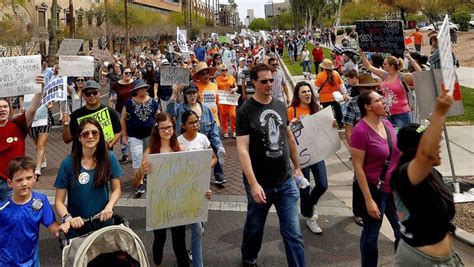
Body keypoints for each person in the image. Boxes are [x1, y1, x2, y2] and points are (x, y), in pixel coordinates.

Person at [236, 64, 305, 267]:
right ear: (254, 83)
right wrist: (253, 184)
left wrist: (298, 167)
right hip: (260, 183)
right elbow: (242, 148)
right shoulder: (245, 111)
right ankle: (249, 258)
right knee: (255, 228)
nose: (269, 84)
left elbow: (289, 137)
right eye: (264, 81)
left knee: (293, 233)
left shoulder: (280, 105)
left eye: (271, 80)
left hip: (285, 182)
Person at [391, 92, 462, 266]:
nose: (438, 147)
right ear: (414, 150)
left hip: (445, 258)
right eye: (433, 142)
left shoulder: (433, 175)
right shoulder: (402, 176)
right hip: (420, 261)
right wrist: (438, 112)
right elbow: (427, 154)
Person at [350, 90, 401, 267]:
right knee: (371, 236)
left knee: (402, 233)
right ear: (368, 106)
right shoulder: (360, 131)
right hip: (375, 191)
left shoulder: (387, 124)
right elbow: (358, 167)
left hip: (394, 191)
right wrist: (369, 200)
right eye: (379, 100)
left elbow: (397, 156)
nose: (384, 102)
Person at [132, 112, 190, 267]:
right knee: (159, 239)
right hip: (158, 203)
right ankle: (157, 263)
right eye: (163, 128)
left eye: (169, 127)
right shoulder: (151, 151)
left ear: (173, 127)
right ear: (157, 130)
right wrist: (140, 172)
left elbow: (190, 178)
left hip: (177, 201)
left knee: (180, 243)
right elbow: (136, 183)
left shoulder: (180, 149)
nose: (167, 131)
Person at [54, 119, 122, 238]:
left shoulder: (109, 157)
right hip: (77, 228)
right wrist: (68, 218)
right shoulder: (67, 163)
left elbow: (117, 189)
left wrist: (109, 207)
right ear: (79, 138)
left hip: (103, 224)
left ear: (99, 135)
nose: (90, 136)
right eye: (85, 133)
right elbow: (58, 201)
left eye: (94, 133)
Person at [0, 156, 68, 266]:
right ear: (9, 183)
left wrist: (60, 228)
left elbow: (52, 226)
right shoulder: (2, 209)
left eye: (28, 178)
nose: (24, 183)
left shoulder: (41, 201)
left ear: (35, 177)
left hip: (32, 263)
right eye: (19, 180)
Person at [287, 81, 328, 234]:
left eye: (309, 91)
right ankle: (310, 216)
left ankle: (307, 207)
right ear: (297, 94)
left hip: (317, 152)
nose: (307, 94)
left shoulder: (316, 109)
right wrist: (292, 124)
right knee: (304, 186)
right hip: (300, 155)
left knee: (322, 184)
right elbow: (287, 133)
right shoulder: (291, 110)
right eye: (304, 92)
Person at [177, 110, 216, 267]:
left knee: (201, 224)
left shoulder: (203, 138)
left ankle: (193, 249)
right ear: (184, 125)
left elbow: (214, 158)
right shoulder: (178, 141)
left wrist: (205, 166)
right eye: (191, 123)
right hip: (185, 189)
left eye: (197, 122)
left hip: (202, 187)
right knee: (197, 228)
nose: (195, 125)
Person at [0, 75, 45, 202]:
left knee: (13, 218)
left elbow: (32, 108)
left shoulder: (18, 124)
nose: (2, 110)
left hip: (14, 183)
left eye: (5, 107)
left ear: (10, 109)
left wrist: (40, 89)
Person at [175, 83, 226, 186]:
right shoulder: (180, 109)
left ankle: (218, 174)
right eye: (189, 94)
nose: (192, 96)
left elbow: (213, 130)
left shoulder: (206, 109)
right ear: (185, 96)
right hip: (189, 140)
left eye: (194, 93)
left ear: (198, 94)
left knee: (215, 148)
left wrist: (219, 145)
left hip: (205, 139)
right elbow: (178, 128)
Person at [121, 79, 160, 198]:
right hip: (134, 135)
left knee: (149, 157)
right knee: (137, 157)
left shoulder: (153, 102)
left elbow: (158, 116)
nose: (143, 90)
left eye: (144, 88)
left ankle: (147, 174)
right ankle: (140, 183)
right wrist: (124, 135)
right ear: (135, 90)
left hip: (150, 135)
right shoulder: (129, 103)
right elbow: (122, 119)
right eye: (140, 88)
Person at [359, 48, 414, 128]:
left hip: (402, 113)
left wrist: (409, 58)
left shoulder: (402, 76)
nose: (383, 65)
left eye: (385, 64)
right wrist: (361, 54)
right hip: (388, 113)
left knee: (403, 138)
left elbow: (420, 74)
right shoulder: (385, 75)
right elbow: (369, 66)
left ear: (391, 65)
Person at [62, 80, 121, 151]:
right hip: (81, 156)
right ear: (83, 96)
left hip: (103, 155)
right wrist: (66, 126)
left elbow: (118, 131)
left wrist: (110, 144)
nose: (92, 96)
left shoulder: (110, 112)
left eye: (94, 93)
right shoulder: (75, 115)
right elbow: (67, 140)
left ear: (99, 93)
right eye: (88, 94)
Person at [110, 67, 135, 163]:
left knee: (133, 132)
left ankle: (135, 152)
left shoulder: (135, 83)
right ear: (122, 74)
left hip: (132, 111)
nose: (128, 74)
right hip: (120, 111)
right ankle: (125, 154)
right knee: (122, 132)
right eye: (126, 73)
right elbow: (112, 97)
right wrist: (111, 107)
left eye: (130, 73)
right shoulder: (117, 85)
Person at [314, 59, 347, 128]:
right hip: (336, 97)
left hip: (325, 98)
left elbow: (316, 88)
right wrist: (345, 93)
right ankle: (340, 123)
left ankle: (330, 126)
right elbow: (342, 86)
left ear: (323, 67)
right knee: (338, 110)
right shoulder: (336, 74)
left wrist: (316, 99)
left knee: (328, 113)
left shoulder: (320, 75)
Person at [215, 64, 238, 138]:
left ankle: (234, 130)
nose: (225, 71)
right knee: (223, 116)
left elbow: (236, 86)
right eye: (223, 70)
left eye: (226, 70)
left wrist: (234, 89)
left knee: (233, 115)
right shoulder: (217, 79)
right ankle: (225, 131)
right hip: (222, 100)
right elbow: (215, 89)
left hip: (230, 99)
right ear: (220, 71)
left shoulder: (231, 78)